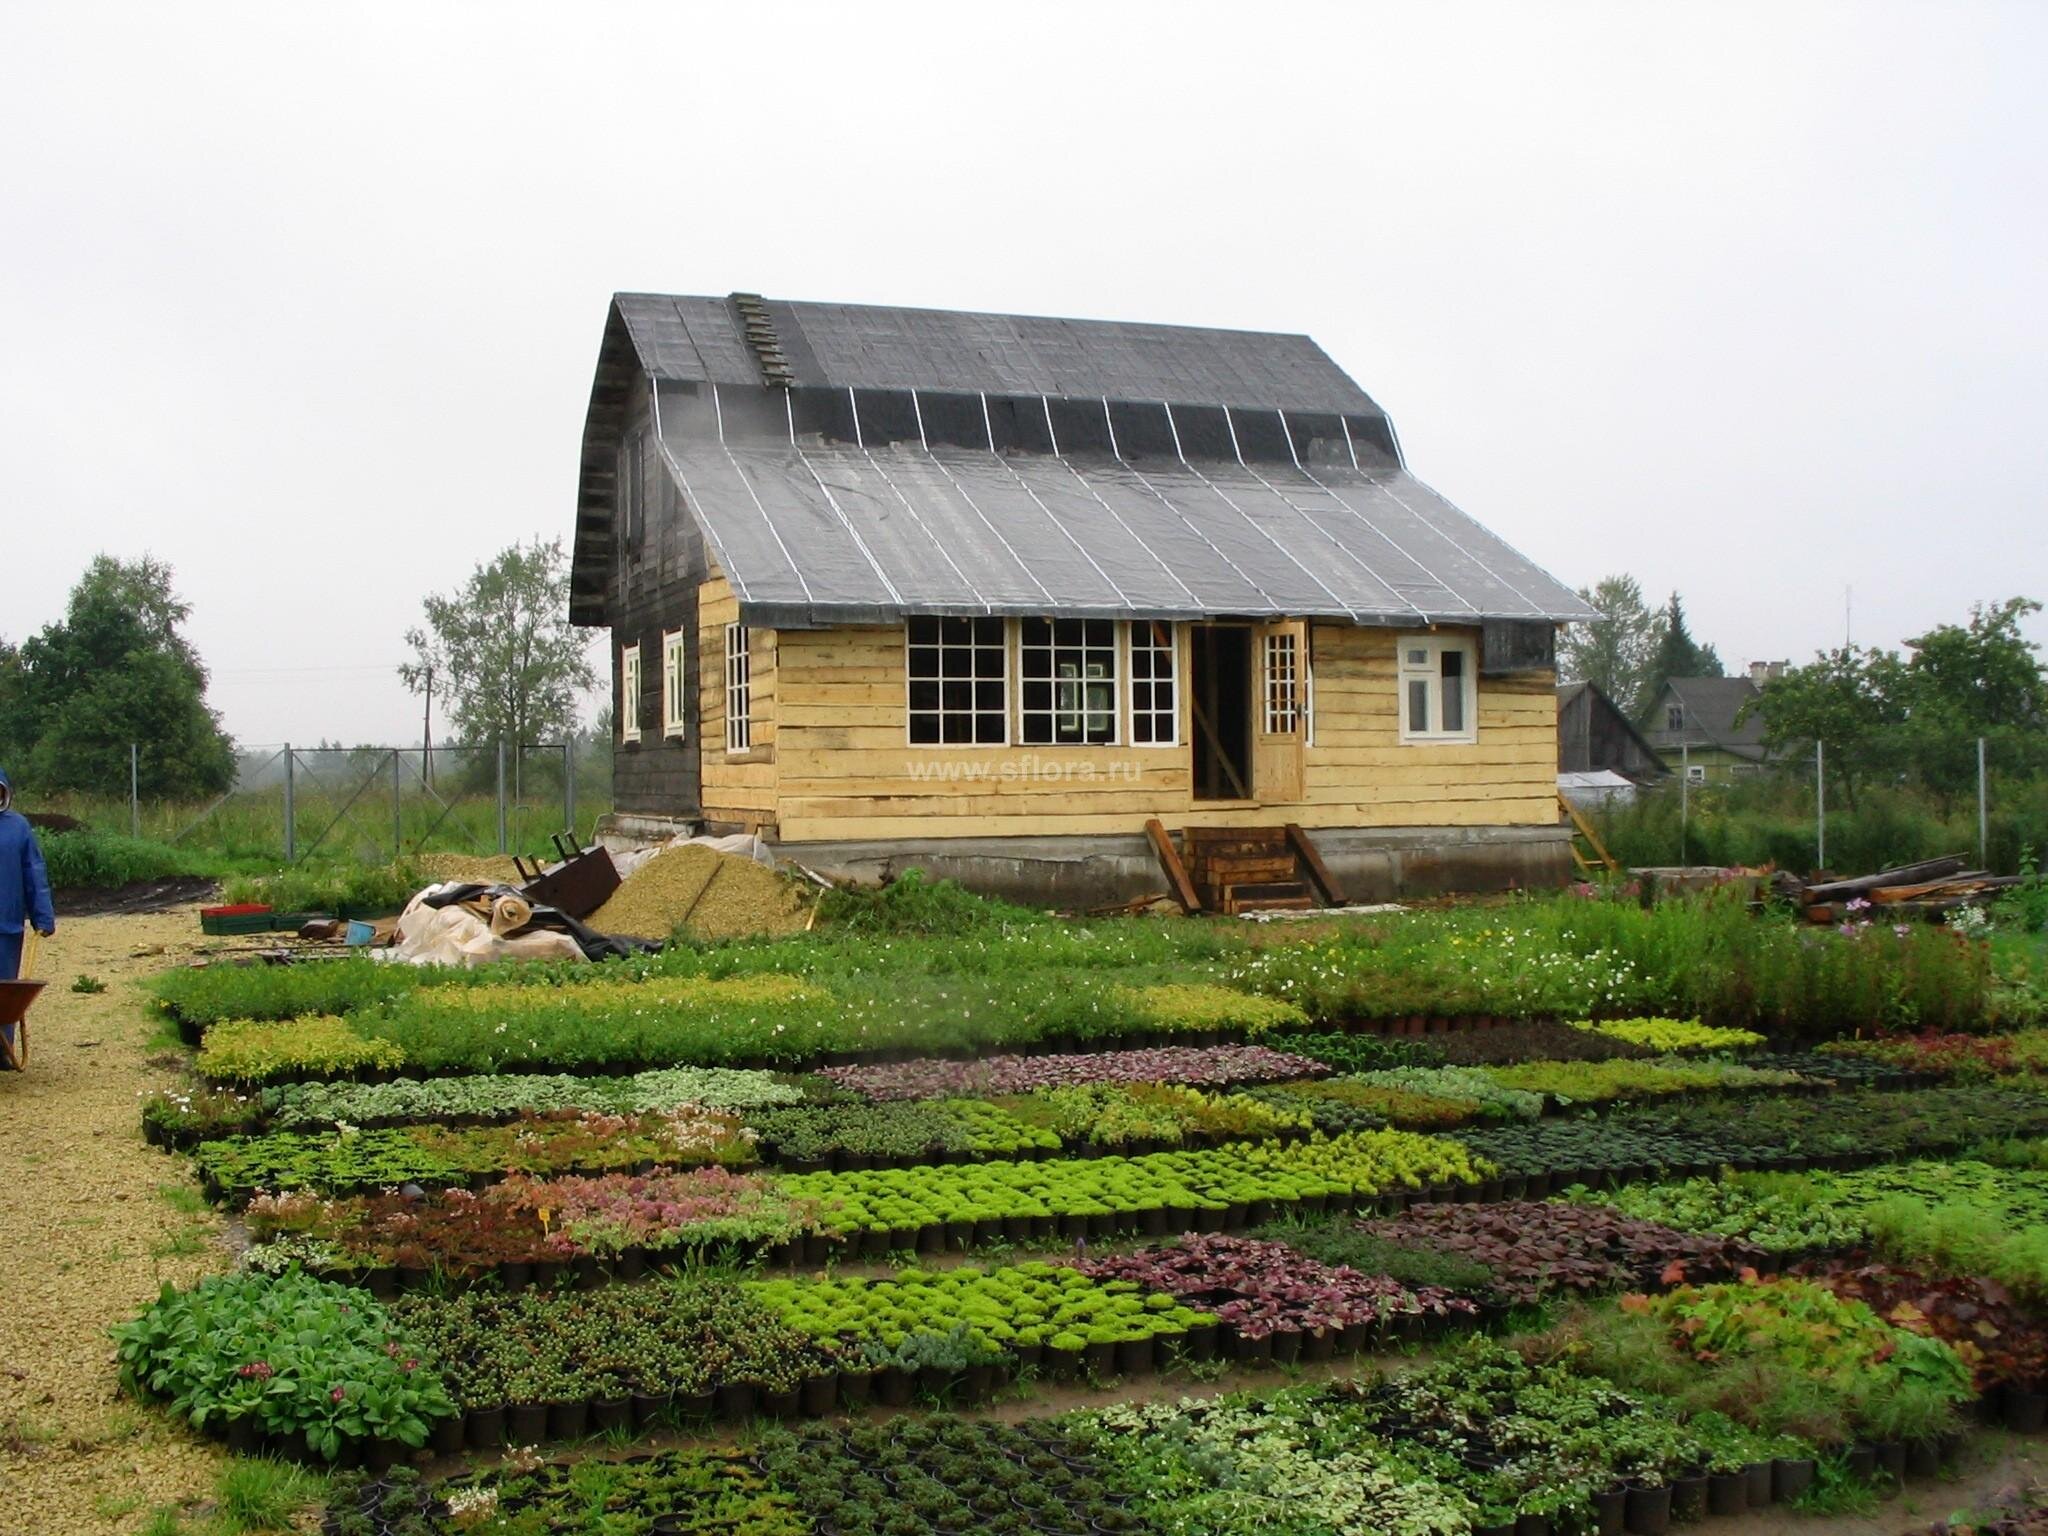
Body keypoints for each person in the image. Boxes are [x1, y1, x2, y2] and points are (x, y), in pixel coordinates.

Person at [0, 768, 56, 980]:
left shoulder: (17, 827)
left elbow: (33, 873)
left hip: (5, 928)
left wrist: (42, 916)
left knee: (3, 988)